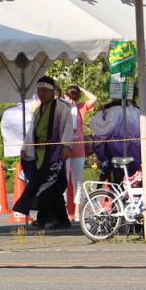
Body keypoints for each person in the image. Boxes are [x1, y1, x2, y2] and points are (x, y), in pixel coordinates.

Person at [13, 76, 74, 230]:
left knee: (51, 186)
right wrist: (26, 147)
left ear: (52, 92)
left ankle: (51, 218)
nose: (41, 93)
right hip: (41, 154)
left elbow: (67, 127)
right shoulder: (38, 110)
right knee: (44, 186)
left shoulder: (61, 108)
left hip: (55, 152)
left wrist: (66, 146)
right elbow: (32, 131)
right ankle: (53, 218)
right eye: (39, 90)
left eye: (45, 90)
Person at [89, 96, 141, 184]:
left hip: (116, 149)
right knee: (134, 179)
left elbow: (103, 129)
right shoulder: (137, 111)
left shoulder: (113, 110)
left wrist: (100, 114)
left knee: (118, 178)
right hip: (135, 148)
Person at [65, 85, 97, 221]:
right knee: (64, 182)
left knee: (77, 182)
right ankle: (66, 212)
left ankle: (77, 212)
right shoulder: (63, 108)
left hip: (78, 149)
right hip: (65, 149)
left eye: (73, 98)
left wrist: (82, 89)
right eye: (69, 97)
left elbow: (94, 99)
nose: (71, 101)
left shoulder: (81, 108)